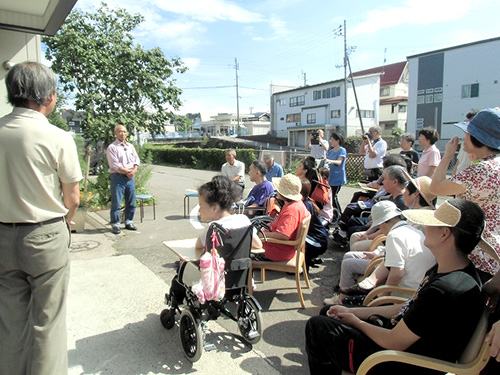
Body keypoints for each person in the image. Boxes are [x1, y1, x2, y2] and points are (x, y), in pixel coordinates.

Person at [306, 199, 484, 375]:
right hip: (399, 342)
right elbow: (408, 307)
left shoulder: (445, 289)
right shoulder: (451, 269)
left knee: (317, 327)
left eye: (431, 224)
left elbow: (394, 342)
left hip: (398, 361)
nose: (424, 227)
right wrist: (353, 312)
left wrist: (355, 321)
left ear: (444, 234)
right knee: (331, 311)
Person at [0, 62, 82, 375]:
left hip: (3, 237)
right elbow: (72, 198)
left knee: (9, 322)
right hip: (45, 235)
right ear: (48, 97)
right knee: (47, 323)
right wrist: (67, 221)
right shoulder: (58, 137)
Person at [168, 176, 262, 306]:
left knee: (183, 266)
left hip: (215, 281)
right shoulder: (244, 221)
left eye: (201, 205)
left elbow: (198, 246)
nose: (199, 210)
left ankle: (175, 301)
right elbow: (258, 244)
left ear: (215, 208)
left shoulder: (214, 228)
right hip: (239, 277)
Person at [429, 107, 500, 278]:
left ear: (478, 138)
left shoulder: (481, 169)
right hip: (494, 248)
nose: (463, 138)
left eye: (467, 133)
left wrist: (447, 155)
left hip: (476, 249)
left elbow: (435, 188)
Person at [324, 201, 435, 305]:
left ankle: (342, 300)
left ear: (382, 223)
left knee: (331, 310)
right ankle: (348, 295)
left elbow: (397, 274)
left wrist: (383, 296)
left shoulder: (395, 235)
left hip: (403, 295)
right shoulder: (411, 230)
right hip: (418, 289)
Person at [256, 174, 310, 262]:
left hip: (277, 251)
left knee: (242, 251)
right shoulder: (296, 204)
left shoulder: (291, 210)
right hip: (281, 248)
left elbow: (283, 235)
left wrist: (261, 234)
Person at [106, 124, 141, 234]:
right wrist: (127, 172)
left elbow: (136, 160)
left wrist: (134, 171)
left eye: (125, 132)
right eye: (120, 132)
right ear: (115, 133)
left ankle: (129, 221)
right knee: (117, 202)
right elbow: (114, 164)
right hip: (118, 177)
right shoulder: (112, 147)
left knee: (131, 201)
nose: (123, 134)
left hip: (130, 177)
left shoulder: (130, 146)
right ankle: (115, 224)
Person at [300, 179, 328, 271]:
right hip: (319, 239)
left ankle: (304, 265)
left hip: (317, 241)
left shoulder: (305, 205)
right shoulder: (307, 202)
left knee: (297, 237)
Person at [325, 132, 347, 215]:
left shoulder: (342, 150)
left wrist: (329, 161)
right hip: (331, 177)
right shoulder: (331, 151)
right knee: (330, 196)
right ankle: (333, 213)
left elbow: (339, 162)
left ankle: (339, 214)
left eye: (332, 139)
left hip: (338, 177)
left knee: (334, 196)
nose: (331, 141)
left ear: (337, 141)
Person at [452, 110, 478, 175]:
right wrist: (453, 176)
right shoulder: (464, 142)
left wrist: (447, 155)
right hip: (458, 178)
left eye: (467, 123)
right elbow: (458, 161)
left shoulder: (479, 144)